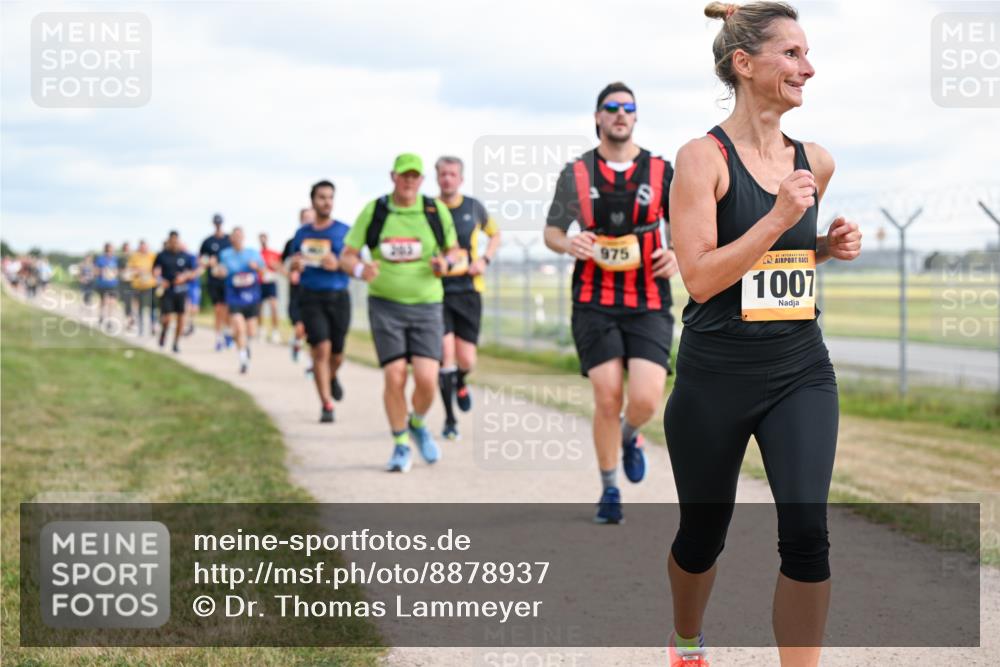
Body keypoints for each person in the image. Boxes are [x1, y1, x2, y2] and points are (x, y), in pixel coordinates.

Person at [663, 4, 862, 666]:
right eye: (792, 54)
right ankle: (687, 640)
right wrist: (780, 218)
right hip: (714, 378)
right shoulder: (699, 159)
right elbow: (700, 277)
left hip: (800, 369)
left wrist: (824, 248)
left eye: (807, 54)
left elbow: (778, 263)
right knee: (702, 534)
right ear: (744, 65)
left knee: (807, 532)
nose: (808, 67)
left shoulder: (816, 161)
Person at [544, 82, 678, 525]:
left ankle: (630, 435)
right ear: (598, 117)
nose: (620, 114)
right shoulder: (576, 172)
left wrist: (676, 254)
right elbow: (552, 232)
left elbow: (688, 227)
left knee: (643, 399)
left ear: (636, 117)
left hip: (648, 297)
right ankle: (609, 489)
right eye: (611, 108)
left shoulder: (662, 170)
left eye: (628, 108)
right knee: (607, 396)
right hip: (593, 299)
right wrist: (570, 243)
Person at [340, 153, 460, 472]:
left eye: (415, 176)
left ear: (422, 180)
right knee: (394, 376)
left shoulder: (434, 211)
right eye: (403, 175)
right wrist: (359, 270)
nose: (409, 181)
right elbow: (347, 256)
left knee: (427, 380)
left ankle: (417, 423)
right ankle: (400, 445)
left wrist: (445, 264)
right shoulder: (376, 211)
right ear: (393, 177)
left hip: (427, 305)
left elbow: (455, 251)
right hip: (385, 305)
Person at [434, 156, 502, 440]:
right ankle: (450, 420)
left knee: (467, 359)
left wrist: (484, 259)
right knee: (444, 354)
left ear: (460, 179)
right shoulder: (429, 209)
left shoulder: (473, 207)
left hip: (469, 291)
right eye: (443, 174)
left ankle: (461, 382)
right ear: (437, 178)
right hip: (437, 291)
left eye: (452, 174)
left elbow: (495, 235)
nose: (447, 179)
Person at [288, 183, 352, 420]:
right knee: (320, 350)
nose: (326, 202)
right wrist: (294, 265)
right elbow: (293, 261)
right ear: (312, 200)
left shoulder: (345, 231)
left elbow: (354, 263)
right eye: (322, 197)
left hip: (338, 296)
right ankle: (326, 405)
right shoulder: (302, 234)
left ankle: (331, 376)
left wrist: (338, 264)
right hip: (311, 295)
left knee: (337, 354)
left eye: (330, 197)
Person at [215, 227, 264, 374]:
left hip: (251, 295)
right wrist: (220, 272)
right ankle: (243, 359)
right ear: (231, 239)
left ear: (243, 237)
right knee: (239, 326)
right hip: (234, 295)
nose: (237, 238)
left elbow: (263, 271)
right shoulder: (225, 255)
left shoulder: (253, 253)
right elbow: (219, 271)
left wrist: (255, 267)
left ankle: (245, 345)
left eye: (239, 235)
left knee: (251, 331)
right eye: (234, 236)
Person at [154, 231, 199, 353]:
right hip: (167, 290)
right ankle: (164, 333)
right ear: (169, 242)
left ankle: (176, 343)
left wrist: (184, 277)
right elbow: (155, 271)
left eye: (176, 241)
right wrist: (160, 280)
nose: (174, 244)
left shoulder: (185, 256)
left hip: (182, 291)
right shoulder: (162, 255)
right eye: (172, 241)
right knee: (167, 318)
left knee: (181, 319)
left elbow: (194, 271)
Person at [282, 207, 316, 365]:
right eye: (305, 218)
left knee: (314, 331)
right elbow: (281, 263)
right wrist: (290, 272)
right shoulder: (293, 242)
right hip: (297, 291)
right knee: (300, 328)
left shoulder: (320, 241)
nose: (308, 221)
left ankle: (311, 365)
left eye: (311, 217)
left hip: (315, 291)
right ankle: (296, 343)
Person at [199, 213, 232, 351]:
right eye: (216, 222)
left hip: (227, 279)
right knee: (218, 309)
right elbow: (201, 260)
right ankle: (218, 337)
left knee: (227, 309)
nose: (218, 225)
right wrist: (208, 262)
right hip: (213, 280)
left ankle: (227, 332)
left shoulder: (228, 240)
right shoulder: (207, 241)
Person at [127, 240, 159, 336]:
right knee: (139, 308)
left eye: (145, 247)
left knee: (152, 307)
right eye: (142, 247)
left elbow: (157, 268)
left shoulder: (152, 256)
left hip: (151, 285)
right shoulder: (134, 256)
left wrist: (150, 272)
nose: (143, 248)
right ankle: (141, 328)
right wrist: (138, 271)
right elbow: (130, 269)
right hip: (138, 286)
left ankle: (153, 325)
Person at [259, 232, 283, 343]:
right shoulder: (257, 254)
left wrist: (274, 265)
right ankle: (261, 330)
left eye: (264, 238)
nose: (263, 240)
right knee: (260, 308)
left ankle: (275, 331)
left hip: (271, 282)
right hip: (260, 283)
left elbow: (281, 266)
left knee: (274, 307)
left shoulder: (274, 253)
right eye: (261, 238)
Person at [93, 243, 120, 329]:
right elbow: (96, 271)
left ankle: (109, 320)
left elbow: (117, 271)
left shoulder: (115, 259)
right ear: (105, 251)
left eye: (111, 250)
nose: (110, 252)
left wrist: (114, 273)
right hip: (102, 284)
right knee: (103, 301)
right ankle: (101, 316)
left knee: (111, 302)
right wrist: (103, 271)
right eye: (108, 250)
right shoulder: (100, 259)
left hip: (112, 284)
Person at [118, 242, 136, 330]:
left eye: (128, 249)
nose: (127, 251)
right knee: (127, 303)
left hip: (134, 283)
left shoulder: (134, 258)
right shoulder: (121, 259)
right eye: (125, 249)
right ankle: (129, 320)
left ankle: (132, 318)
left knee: (134, 303)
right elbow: (119, 271)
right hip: (125, 284)